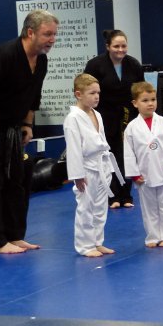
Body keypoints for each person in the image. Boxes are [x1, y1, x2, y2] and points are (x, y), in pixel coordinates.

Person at [0, 9, 58, 254]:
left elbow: (32, 97)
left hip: (13, 126)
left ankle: (14, 236)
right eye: (47, 34)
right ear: (30, 32)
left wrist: (27, 125)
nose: (52, 39)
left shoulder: (41, 61)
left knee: (16, 180)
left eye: (54, 34)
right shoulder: (2, 55)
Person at [63, 73, 125, 257]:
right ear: (78, 94)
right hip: (86, 167)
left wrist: (109, 168)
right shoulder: (72, 119)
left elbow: (102, 141)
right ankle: (85, 246)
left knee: (100, 207)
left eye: (98, 92)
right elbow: (73, 149)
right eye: (91, 93)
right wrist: (77, 174)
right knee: (85, 207)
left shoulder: (96, 113)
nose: (97, 96)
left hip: (102, 164)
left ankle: (97, 242)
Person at [84, 30, 144, 209]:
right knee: (107, 154)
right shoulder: (95, 65)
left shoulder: (133, 64)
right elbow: (88, 91)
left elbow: (141, 90)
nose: (120, 50)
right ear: (108, 47)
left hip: (127, 115)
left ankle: (126, 195)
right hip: (103, 114)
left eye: (123, 46)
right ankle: (111, 195)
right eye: (116, 46)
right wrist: (89, 116)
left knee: (125, 154)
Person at [124, 81, 163, 248]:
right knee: (148, 208)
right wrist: (134, 174)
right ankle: (153, 236)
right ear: (135, 103)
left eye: (153, 99)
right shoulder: (132, 128)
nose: (150, 103)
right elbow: (129, 153)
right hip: (144, 174)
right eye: (145, 100)